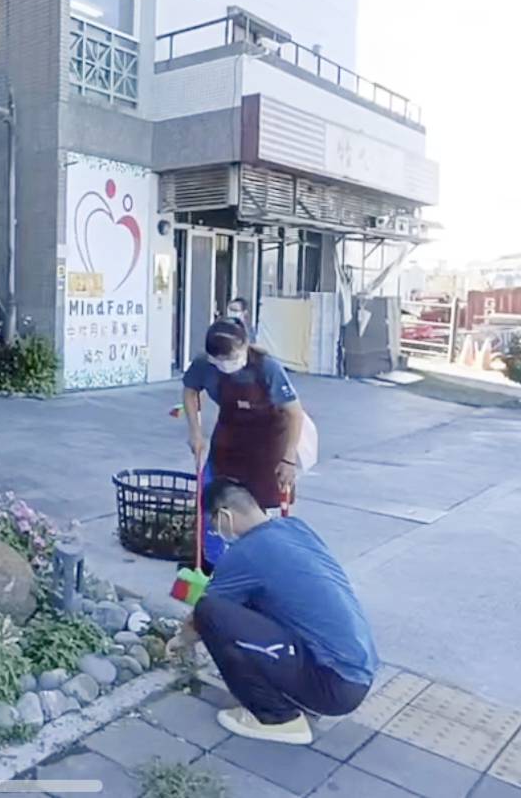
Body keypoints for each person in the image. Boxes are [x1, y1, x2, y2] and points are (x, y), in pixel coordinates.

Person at [166, 480, 377, 745]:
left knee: (211, 612)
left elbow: (203, 615)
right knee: (252, 604)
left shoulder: (246, 553)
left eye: (213, 525)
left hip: (333, 685)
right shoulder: (295, 528)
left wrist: (179, 641)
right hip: (357, 670)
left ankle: (278, 719)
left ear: (225, 517)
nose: (215, 532)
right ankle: (293, 695)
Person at [182, 318, 304, 516]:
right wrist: (195, 432)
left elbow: (295, 413)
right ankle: (218, 539)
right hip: (230, 431)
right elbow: (190, 391)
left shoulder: (267, 368)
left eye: (231, 358)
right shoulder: (204, 364)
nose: (224, 365)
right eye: (218, 360)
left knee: (260, 499)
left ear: (245, 346)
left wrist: (289, 459)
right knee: (220, 493)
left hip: (268, 436)